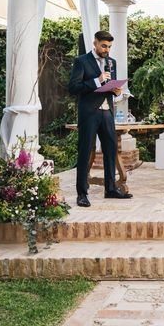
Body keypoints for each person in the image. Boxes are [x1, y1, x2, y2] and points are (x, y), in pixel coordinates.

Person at [68, 30, 133, 207]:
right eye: (104, 46)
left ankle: (110, 189)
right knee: (85, 151)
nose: (106, 50)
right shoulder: (81, 61)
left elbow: (110, 86)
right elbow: (73, 87)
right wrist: (97, 81)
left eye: (109, 47)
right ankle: (82, 193)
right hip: (89, 113)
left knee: (111, 150)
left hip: (107, 112)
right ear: (95, 43)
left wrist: (116, 90)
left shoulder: (112, 62)